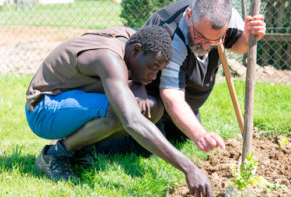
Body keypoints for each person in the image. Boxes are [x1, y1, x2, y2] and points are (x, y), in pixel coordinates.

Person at [25, 26, 214, 196]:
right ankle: (53, 155)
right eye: (152, 68)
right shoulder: (109, 59)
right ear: (137, 50)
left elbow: (135, 79)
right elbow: (131, 121)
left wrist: (139, 82)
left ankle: (78, 147)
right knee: (121, 113)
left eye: (158, 71)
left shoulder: (130, 38)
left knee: (152, 108)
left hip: (71, 100)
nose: (153, 76)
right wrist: (189, 168)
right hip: (43, 109)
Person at [93, 0, 266, 180]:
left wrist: (248, 36)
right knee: (146, 147)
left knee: (181, 138)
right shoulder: (172, 35)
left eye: (215, 40)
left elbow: (237, 45)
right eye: (200, 37)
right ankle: (90, 145)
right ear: (189, 15)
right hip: (149, 96)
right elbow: (171, 97)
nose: (206, 46)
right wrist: (200, 135)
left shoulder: (225, 18)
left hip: (186, 100)